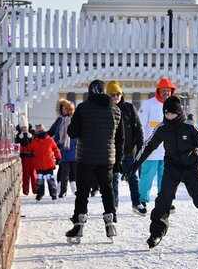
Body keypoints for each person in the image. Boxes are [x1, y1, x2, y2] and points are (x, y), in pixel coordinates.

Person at [126, 96, 198, 250]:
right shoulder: (162, 128)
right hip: (172, 168)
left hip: (192, 168)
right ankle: (156, 234)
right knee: (163, 199)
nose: (169, 117)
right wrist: (136, 163)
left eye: (172, 114)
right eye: (166, 114)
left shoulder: (191, 126)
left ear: (179, 112)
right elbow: (149, 146)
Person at [65, 80, 124, 243]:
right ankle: (110, 223)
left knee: (82, 192)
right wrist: (119, 159)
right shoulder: (116, 110)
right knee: (107, 190)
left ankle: (78, 225)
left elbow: (73, 132)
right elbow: (120, 139)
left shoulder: (83, 108)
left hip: (86, 157)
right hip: (107, 158)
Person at [107, 80, 147, 215]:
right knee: (114, 179)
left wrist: (141, 146)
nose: (115, 97)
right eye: (112, 95)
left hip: (128, 150)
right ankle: (114, 205)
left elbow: (138, 128)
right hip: (112, 151)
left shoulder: (129, 108)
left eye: (118, 94)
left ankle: (137, 203)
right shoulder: (105, 110)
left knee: (133, 177)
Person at [137, 78, 177, 209]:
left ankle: (165, 199)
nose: (166, 93)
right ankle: (142, 199)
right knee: (147, 175)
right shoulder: (149, 104)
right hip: (152, 150)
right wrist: (142, 143)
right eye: (163, 90)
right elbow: (140, 125)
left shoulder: (175, 106)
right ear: (158, 91)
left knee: (166, 177)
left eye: (168, 90)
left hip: (169, 150)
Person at [24, 124, 61, 201]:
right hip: (39, 165)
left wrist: (58, 157)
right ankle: (40, 194)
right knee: (40, 180)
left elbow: (56, 149)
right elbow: (28, 148)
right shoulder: (34, 142)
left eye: (40, 132)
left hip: (48, 164)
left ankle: (53, 194)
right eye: (37, 133)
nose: (39, 134)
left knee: (50, 179)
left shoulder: (49, 140)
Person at [49, 99, 76, 199]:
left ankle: (75, 190)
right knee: (64, 172)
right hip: (63, 151)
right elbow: (55, 135)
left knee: (74, 171)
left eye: (66, 108)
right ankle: (63, 191)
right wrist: (52, 144)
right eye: (63, 108)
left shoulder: (75, 120)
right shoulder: (60, 121)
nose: (64, 110)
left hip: (73, 150)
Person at [14, 121, 37, 196]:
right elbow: (17, 146)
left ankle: (35, 189)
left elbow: (35, 144)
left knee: (33, 173)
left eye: (25, 127)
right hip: (25, 158)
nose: (24, 129)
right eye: (22, 127)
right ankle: (26, 190)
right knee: (26, 174)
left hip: (33, 157)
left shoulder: (32, 134)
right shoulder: (18, 136)